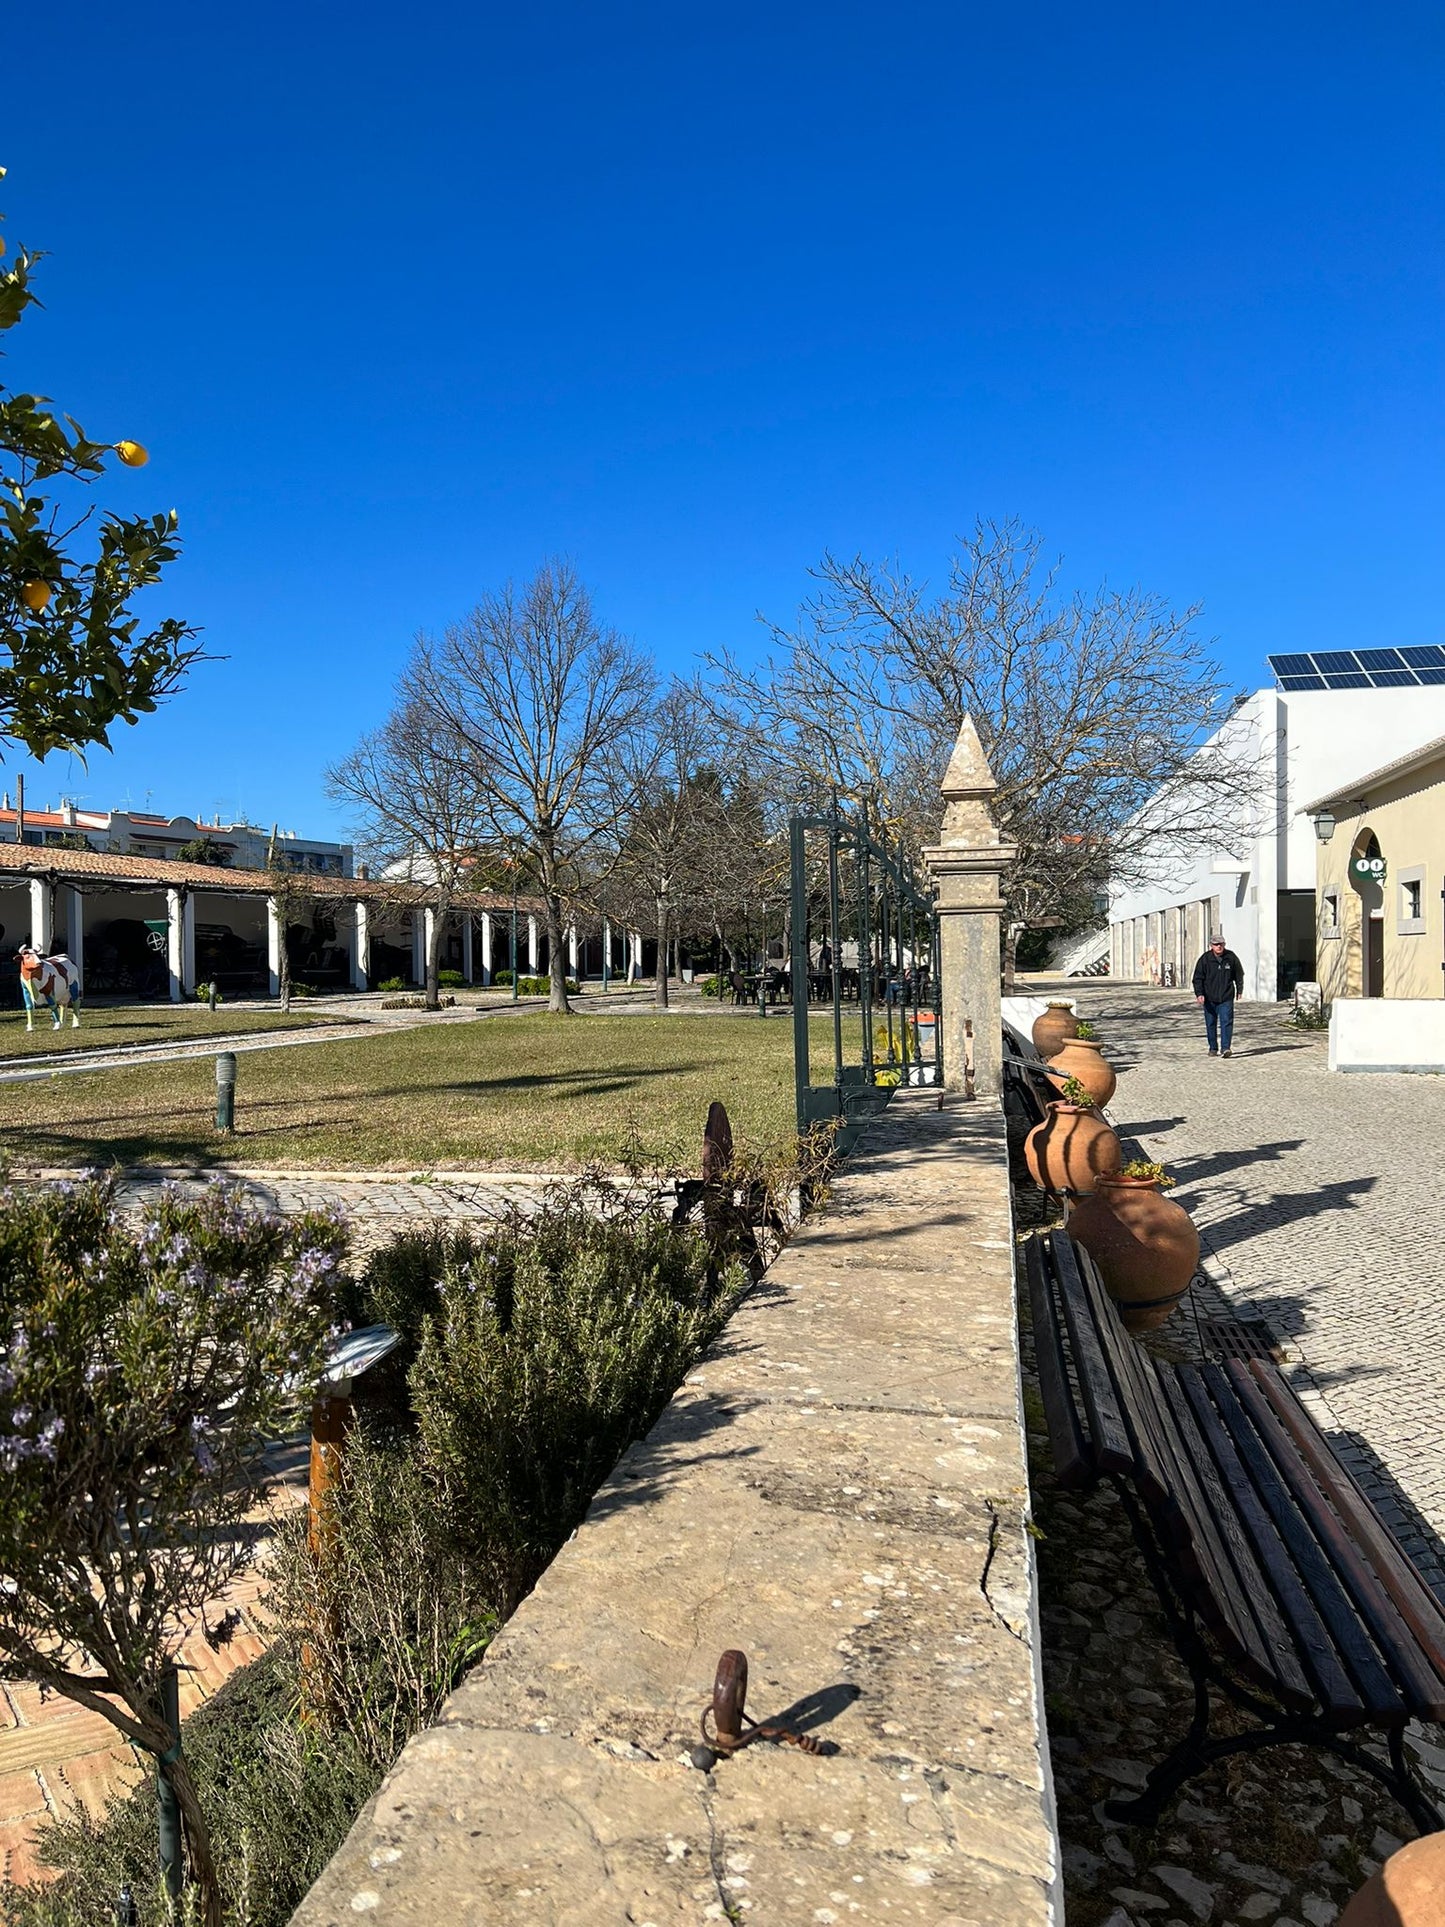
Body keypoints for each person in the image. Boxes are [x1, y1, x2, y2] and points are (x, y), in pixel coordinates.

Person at [1192, 931, 1245, 1057]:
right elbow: (1198, 978)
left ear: (1224, 944)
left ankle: (1226, 1048)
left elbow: (1239, 974)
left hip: (1226, 996)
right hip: (1209, 997)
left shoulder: (1231, 957)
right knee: (1211, 1023)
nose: (1219, 946)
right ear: (1211, 945)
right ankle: (1213, 1047)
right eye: (1216, 944)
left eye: (1221, 944)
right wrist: (1199, 994)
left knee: (1227, 1022)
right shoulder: (1205, 959)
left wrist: (1240, 990)